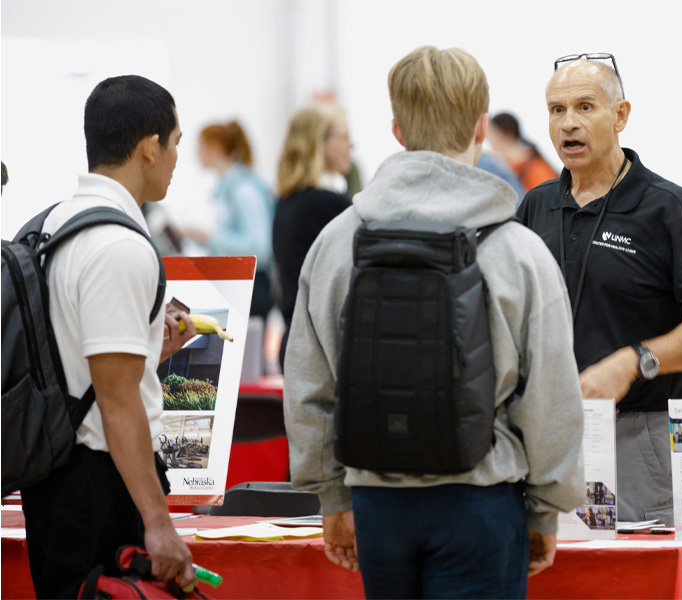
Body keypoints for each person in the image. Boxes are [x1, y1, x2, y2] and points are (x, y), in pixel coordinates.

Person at [283, 45, 585, 599]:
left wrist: (332, 497)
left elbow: (309, 384)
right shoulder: (519, 251)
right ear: (479, 127)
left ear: (396, 129)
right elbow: (550, 396)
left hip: (376, 504)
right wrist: (547, 508)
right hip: (481, 499)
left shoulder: (337, 241)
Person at [517, 53, 682, 527]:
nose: (568, 124)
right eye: (556, 111)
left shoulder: (669, 210)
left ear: (620, 115)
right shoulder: (534, 208)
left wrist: (634, 361)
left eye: (585, 107)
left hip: (637, 439)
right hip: (546, 441)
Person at [20, 75, 198, 598]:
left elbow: (74, 358)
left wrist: (151, 351)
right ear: (150, 147)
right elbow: (118, 403)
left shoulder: (54, 225)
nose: (174, 160)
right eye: (175, 145)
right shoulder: (119, 247)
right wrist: (158, 521)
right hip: (100, 482)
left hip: (54, 475)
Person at [271, 103, 353, 369]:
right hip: (321, 353)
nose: (351, 145)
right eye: (343, 137)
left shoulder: (286, 202)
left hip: (294, 344)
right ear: (319, 143)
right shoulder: (328, 205)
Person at [184, 121, 275, 318]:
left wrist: (212, 237)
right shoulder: (228, 191)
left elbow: (261, 247)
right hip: (238, 285)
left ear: (215, 147)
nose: (196, 153)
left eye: (200, 146)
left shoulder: (244, 191)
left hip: (251, 289)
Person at [487, 111, 559, 191]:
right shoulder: (506, 166)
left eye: (491, 135)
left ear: (505, 134)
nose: (489, 140)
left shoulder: (536, 169)